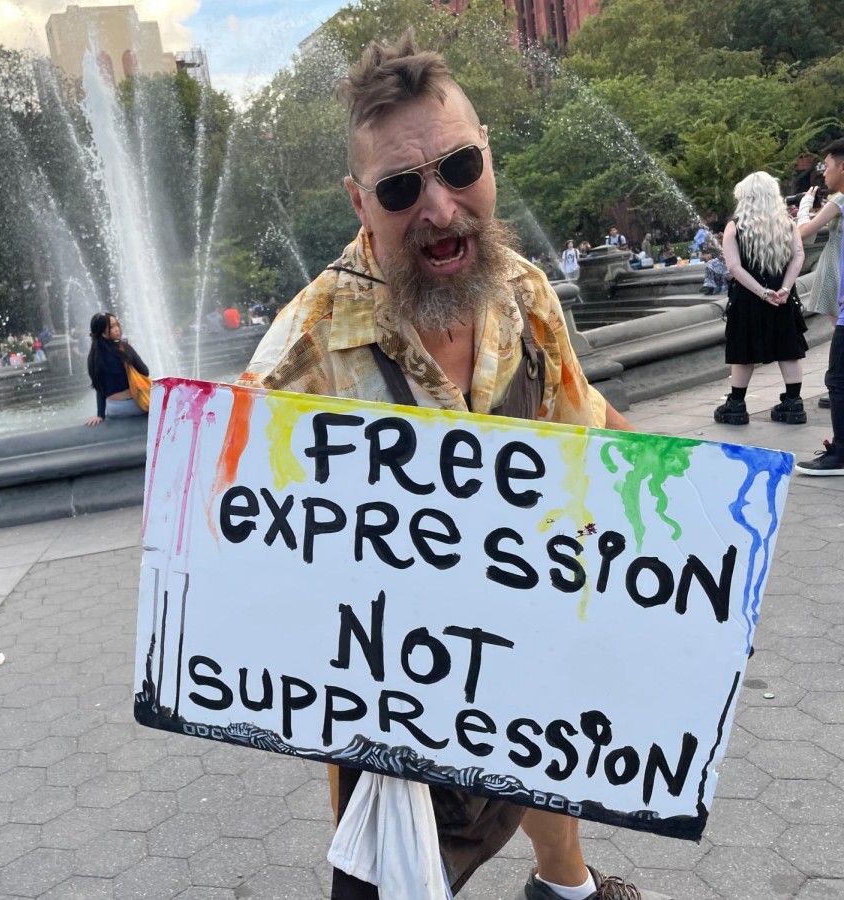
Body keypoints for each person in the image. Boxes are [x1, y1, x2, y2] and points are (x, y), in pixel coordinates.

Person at [238, 32, 649, 900]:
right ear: (361, 202)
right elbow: (236, 540)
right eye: (399, 187)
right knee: (393, 880)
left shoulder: (524, 293)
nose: (438, 207)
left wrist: (703, 516)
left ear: (487, 155)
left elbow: (585, 416)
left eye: (458, 167)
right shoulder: (300, 357)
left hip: (526, 639)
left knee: (546, 748)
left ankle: (566, 888)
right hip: (401, 700)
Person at [713, 171, 807, 427]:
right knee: (788, 348)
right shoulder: (786, 223)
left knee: (744, 351)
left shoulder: (735, 226)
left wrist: (762, 293)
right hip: (783, 298)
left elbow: (734, 268)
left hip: (748, 299)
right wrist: (784, 289)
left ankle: (736, 405)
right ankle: (793, 403)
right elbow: (798, 255)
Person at [795, 139, 844, 473]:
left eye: (827, 165)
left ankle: (840, 452)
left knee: (838, 379)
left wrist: (802, 208)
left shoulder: (841, 199)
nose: (823, 172)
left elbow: (804, 234)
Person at [84, 313, 149, 426]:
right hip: (136, 404)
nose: (117, 329)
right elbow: (145, 371)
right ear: (102, 331)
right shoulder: (124, 348)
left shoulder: (93, 356)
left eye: (116, 325)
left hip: (115, 409)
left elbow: (100, 388)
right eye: (112, 327)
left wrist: (100, 415)